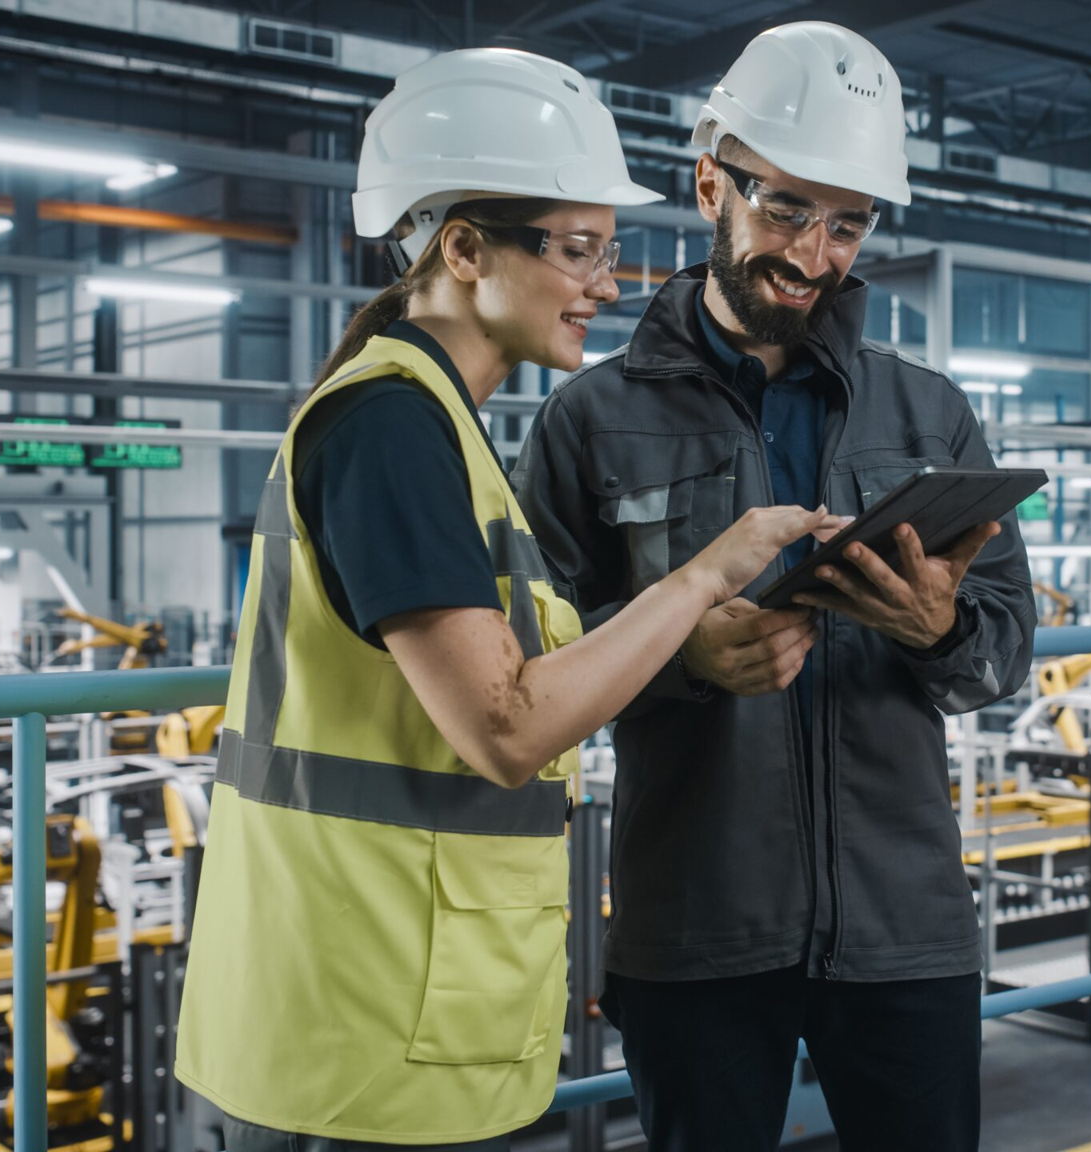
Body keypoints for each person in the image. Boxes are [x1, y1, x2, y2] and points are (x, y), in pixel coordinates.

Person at [174, 49, 831, 1152]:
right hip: (360, 1028)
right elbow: (505, 725)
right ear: (463, 249)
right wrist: (703, 576)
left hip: (392, 1006)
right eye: (576, 250)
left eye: (609, 252)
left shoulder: (434, 428)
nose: (608, 284)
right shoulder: (389, 430)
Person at [515, 22, 1035, 1152]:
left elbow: (1003, 656)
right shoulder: (588, 421)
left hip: (904, 931)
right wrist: (681, 659)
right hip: (696, 928)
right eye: (785, 209)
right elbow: (530, 675)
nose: (811, 254)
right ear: (710, 183)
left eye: (846, 224)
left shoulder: (928, 414)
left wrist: (940, 629)